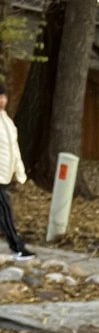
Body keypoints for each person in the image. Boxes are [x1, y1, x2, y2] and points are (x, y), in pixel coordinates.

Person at [0, 84, 34, 260]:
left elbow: (14, 149)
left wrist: (20, 172)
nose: (2, 100)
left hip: (4, 175)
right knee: (5, 211)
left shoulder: (7, 121)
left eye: (4, 96)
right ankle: (18, 248)